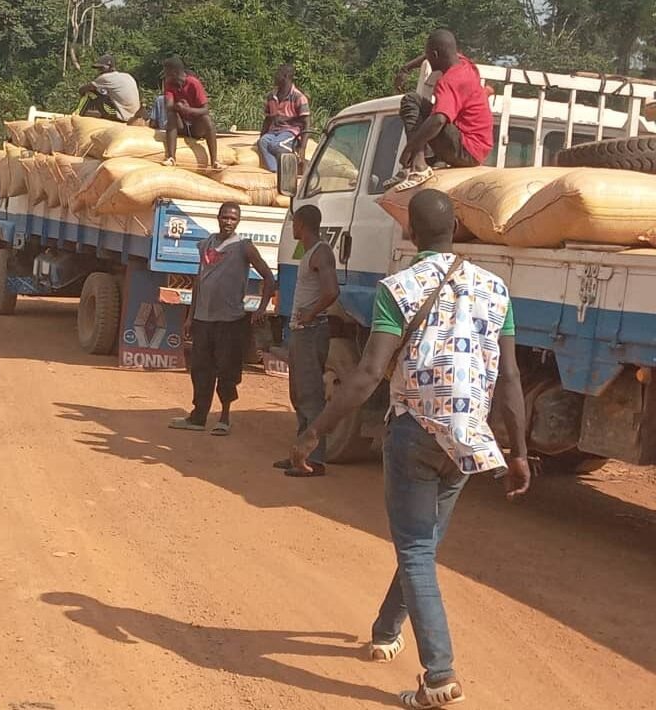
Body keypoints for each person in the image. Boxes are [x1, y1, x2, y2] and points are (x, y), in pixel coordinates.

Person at [290, 190, 530, 709]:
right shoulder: (496, 289)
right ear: (457, 230)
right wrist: (519, 453)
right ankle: (385, 630)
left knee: (417, 548)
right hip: (468, 437)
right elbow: (510, 378)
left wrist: (314, 431)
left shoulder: (398, 288)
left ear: (409, 233)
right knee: (422, 542)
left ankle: (440, 675)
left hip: (416, 431)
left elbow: (368, 374)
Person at [169, 202, 276, 435]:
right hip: (203, 319)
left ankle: (224, 418)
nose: (228, 222)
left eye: (233, 218)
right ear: (218, 218)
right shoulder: (206, 244)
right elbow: (199, 281)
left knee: (228, 371)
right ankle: (198, 417)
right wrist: (190, 317)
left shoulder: (244, 247)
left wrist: (261, 308)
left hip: (230, 321)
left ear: (238, 221)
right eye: (225, 217)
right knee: (200, 369)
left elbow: (269, 277)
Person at [270, 205, 339, 477]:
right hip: (302, 331)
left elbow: (331, 291)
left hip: (311, 331)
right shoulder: (309, 252)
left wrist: (310, 313)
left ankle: (314, 460)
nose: (293, 228)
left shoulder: (321, 253)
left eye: (294, 224)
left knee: (310, 395)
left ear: (300, 224)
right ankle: (299, 453)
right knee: (299, 394)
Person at [387, 29, 493, 191]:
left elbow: (439, 120)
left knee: (412, 100)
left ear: (435, 55)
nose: (427, 60)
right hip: (476, 149)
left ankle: (418, 165)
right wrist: (406, 68)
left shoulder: (450, 81)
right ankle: (428, 160)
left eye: (429, 56)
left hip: (466, 150)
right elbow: (437, 51)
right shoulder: (465, 65)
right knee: (428, 113)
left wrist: (410, 148)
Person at [162, 57, 221, 170]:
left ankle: (214, 161)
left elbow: (205, 110)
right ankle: (171, 157)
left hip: (196, 127)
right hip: (182, 125)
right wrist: (178, 106)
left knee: (206, 119)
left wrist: (188, 110)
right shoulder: (169, 84)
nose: (165, 75)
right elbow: (169, 106)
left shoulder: (193, 83)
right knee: (171, 115)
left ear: (174, 73)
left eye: (166, 72)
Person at [258, 65, 311, 173]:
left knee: (276, 145)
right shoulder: (271, 96)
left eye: (278, 74)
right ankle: (275, 171)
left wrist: (302, 148)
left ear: (285, 76)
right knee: (263, 142)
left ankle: (296, 161)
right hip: (274, 132)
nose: (275, 77)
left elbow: (306, 122)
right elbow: (267, 119)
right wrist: (261, 136)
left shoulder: (298, 97)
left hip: (291, 132)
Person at [77, 54, 141, 124]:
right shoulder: (127, 76)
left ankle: (77, 114)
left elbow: (82, 89)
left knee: (90, 93)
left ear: (110, 67)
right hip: (134, 116)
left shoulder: (105, 77)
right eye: (98, 69)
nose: (99, 71)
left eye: (102, 68)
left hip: (122, 117)